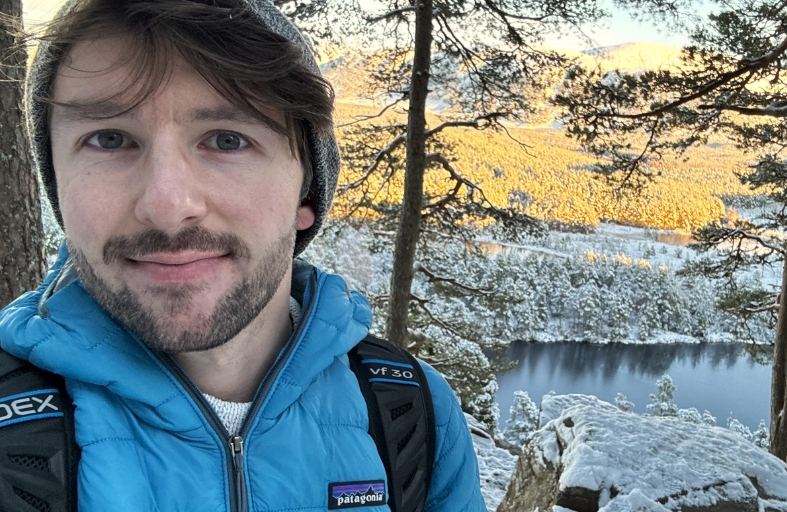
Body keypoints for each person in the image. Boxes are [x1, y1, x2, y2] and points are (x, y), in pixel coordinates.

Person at [0, 0, 487, 510]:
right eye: (109, 139)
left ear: (306, 192)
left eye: (228, 140)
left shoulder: (411, 413)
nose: (167, 207)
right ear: (59, 186)